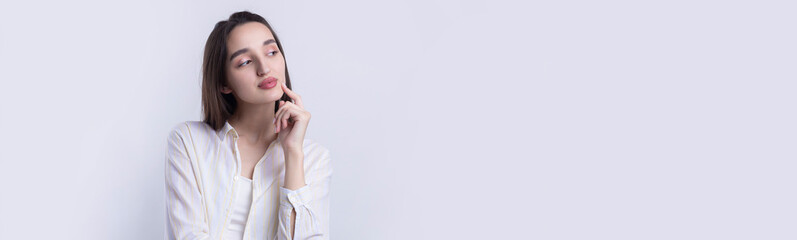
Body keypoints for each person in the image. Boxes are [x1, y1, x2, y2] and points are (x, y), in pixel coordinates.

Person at [164, 11, 332, 240]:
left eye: (272, 52)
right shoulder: (188, 141)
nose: (264, 68)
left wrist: (293, 153)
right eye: (245, 62)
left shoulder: (314, 159)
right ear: (224, 84)